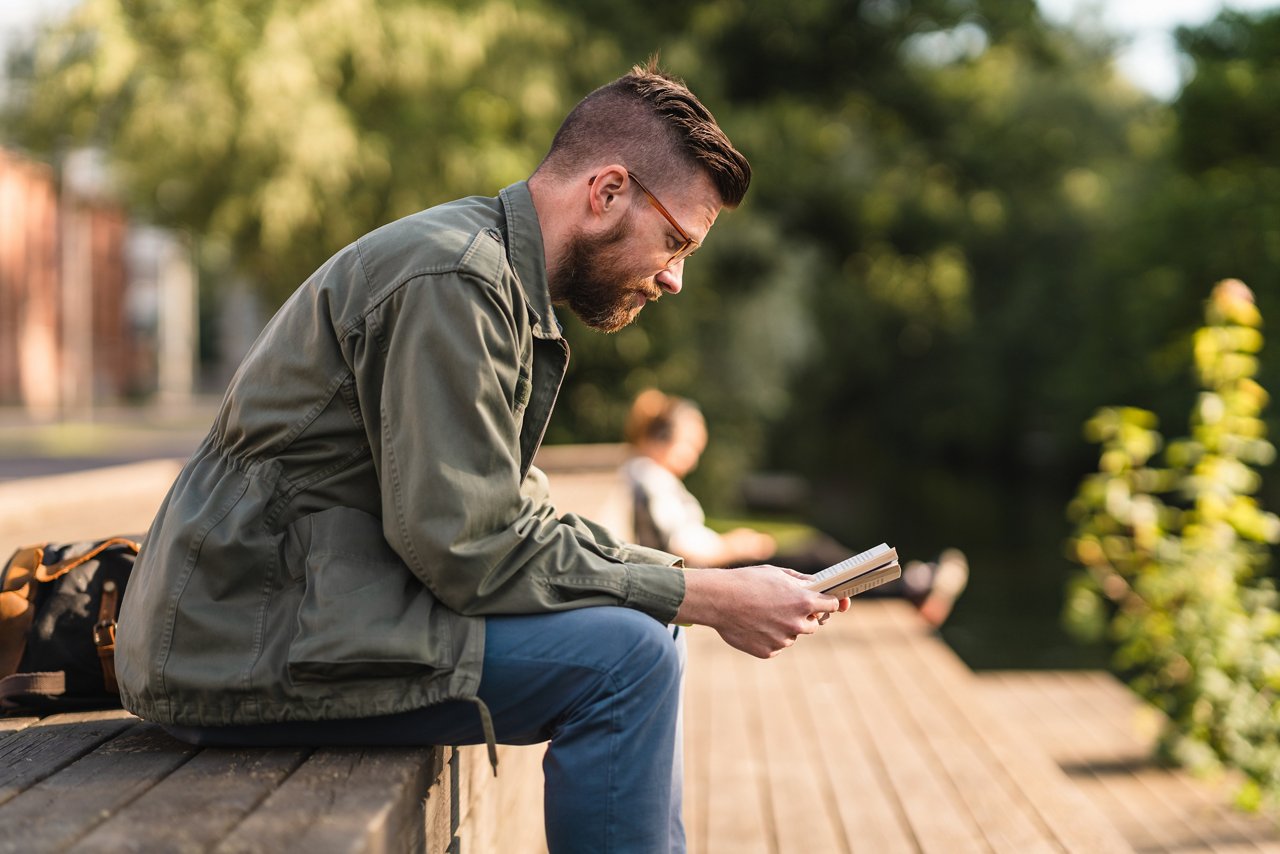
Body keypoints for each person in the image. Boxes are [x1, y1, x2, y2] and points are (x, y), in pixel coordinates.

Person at [116, 60, 847, 854]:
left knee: (646, 631)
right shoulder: (455, 279)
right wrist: (700, 595)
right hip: (236, 643)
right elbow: (467, 545)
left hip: (290, 612)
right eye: (674, 241)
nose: (674, 278)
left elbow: (510, 517)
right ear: (606, 193)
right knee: (627, 660)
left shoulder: (489, 274)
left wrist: (688, 587)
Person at [621, 389, 968, 626]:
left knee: (816, 557)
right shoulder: (649, 476)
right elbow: (679, 545)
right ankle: (909, 586)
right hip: (713, 575)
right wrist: (734, 544)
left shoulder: (649, 474)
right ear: (661, 439)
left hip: (713, 570)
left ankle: (908, 584)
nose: (694, 458)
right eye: (690, 446)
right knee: (815, 559)